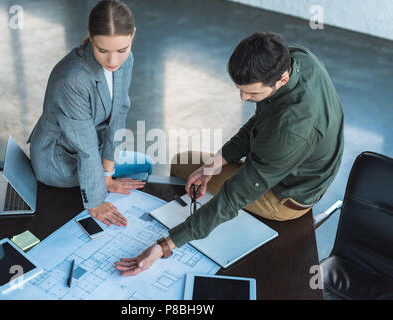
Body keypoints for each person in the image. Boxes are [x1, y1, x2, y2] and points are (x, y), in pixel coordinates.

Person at [115, 32, 344, 275]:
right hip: (294, 163)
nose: (243, 98)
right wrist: (212, 166)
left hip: (286, 196)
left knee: (186, 168)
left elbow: (235, 195)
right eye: (240, 90)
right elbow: (261, 122)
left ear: (283, 79)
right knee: (194, 165)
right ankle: (197, 213)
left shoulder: (291, 131)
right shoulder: (295, 57)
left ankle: (195, 225)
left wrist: (166, 245)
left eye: (252, 94)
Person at [28, 0, 152, 227]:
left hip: (90, 146)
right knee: (144, 164)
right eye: (102, 50)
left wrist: (108, 174)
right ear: (90, 36)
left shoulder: (126, 61)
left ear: (132, 35)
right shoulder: (72, 79)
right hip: (60, 160)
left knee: (145, 165)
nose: (113, 61)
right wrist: (96, 200)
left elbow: (119, 112)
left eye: (121, 50)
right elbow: (84, 147)